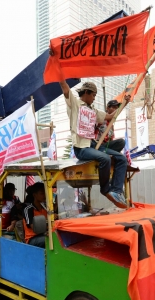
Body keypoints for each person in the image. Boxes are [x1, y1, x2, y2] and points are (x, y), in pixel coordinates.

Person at [58, 80, 130, 209]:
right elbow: (65, 88)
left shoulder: (93, 111)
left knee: (122, 159)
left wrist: (124, 104)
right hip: (82, 148)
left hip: (94, 145)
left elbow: (109, 117)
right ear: (86, 92)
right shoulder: (75, 104)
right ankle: (105, 189)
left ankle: (116, 191)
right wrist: (59, 75)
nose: (94, 98)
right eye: (93, 95)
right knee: (105, 159)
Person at [23, 182, 48, 248]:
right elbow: (35, 228)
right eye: (42, 193)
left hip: (44, 234)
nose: (45, 195)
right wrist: (49, 228)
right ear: (34, 195)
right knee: (52, 240)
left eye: (45, 193)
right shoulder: (28, 209)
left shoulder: (46, 209)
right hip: (32, 239)